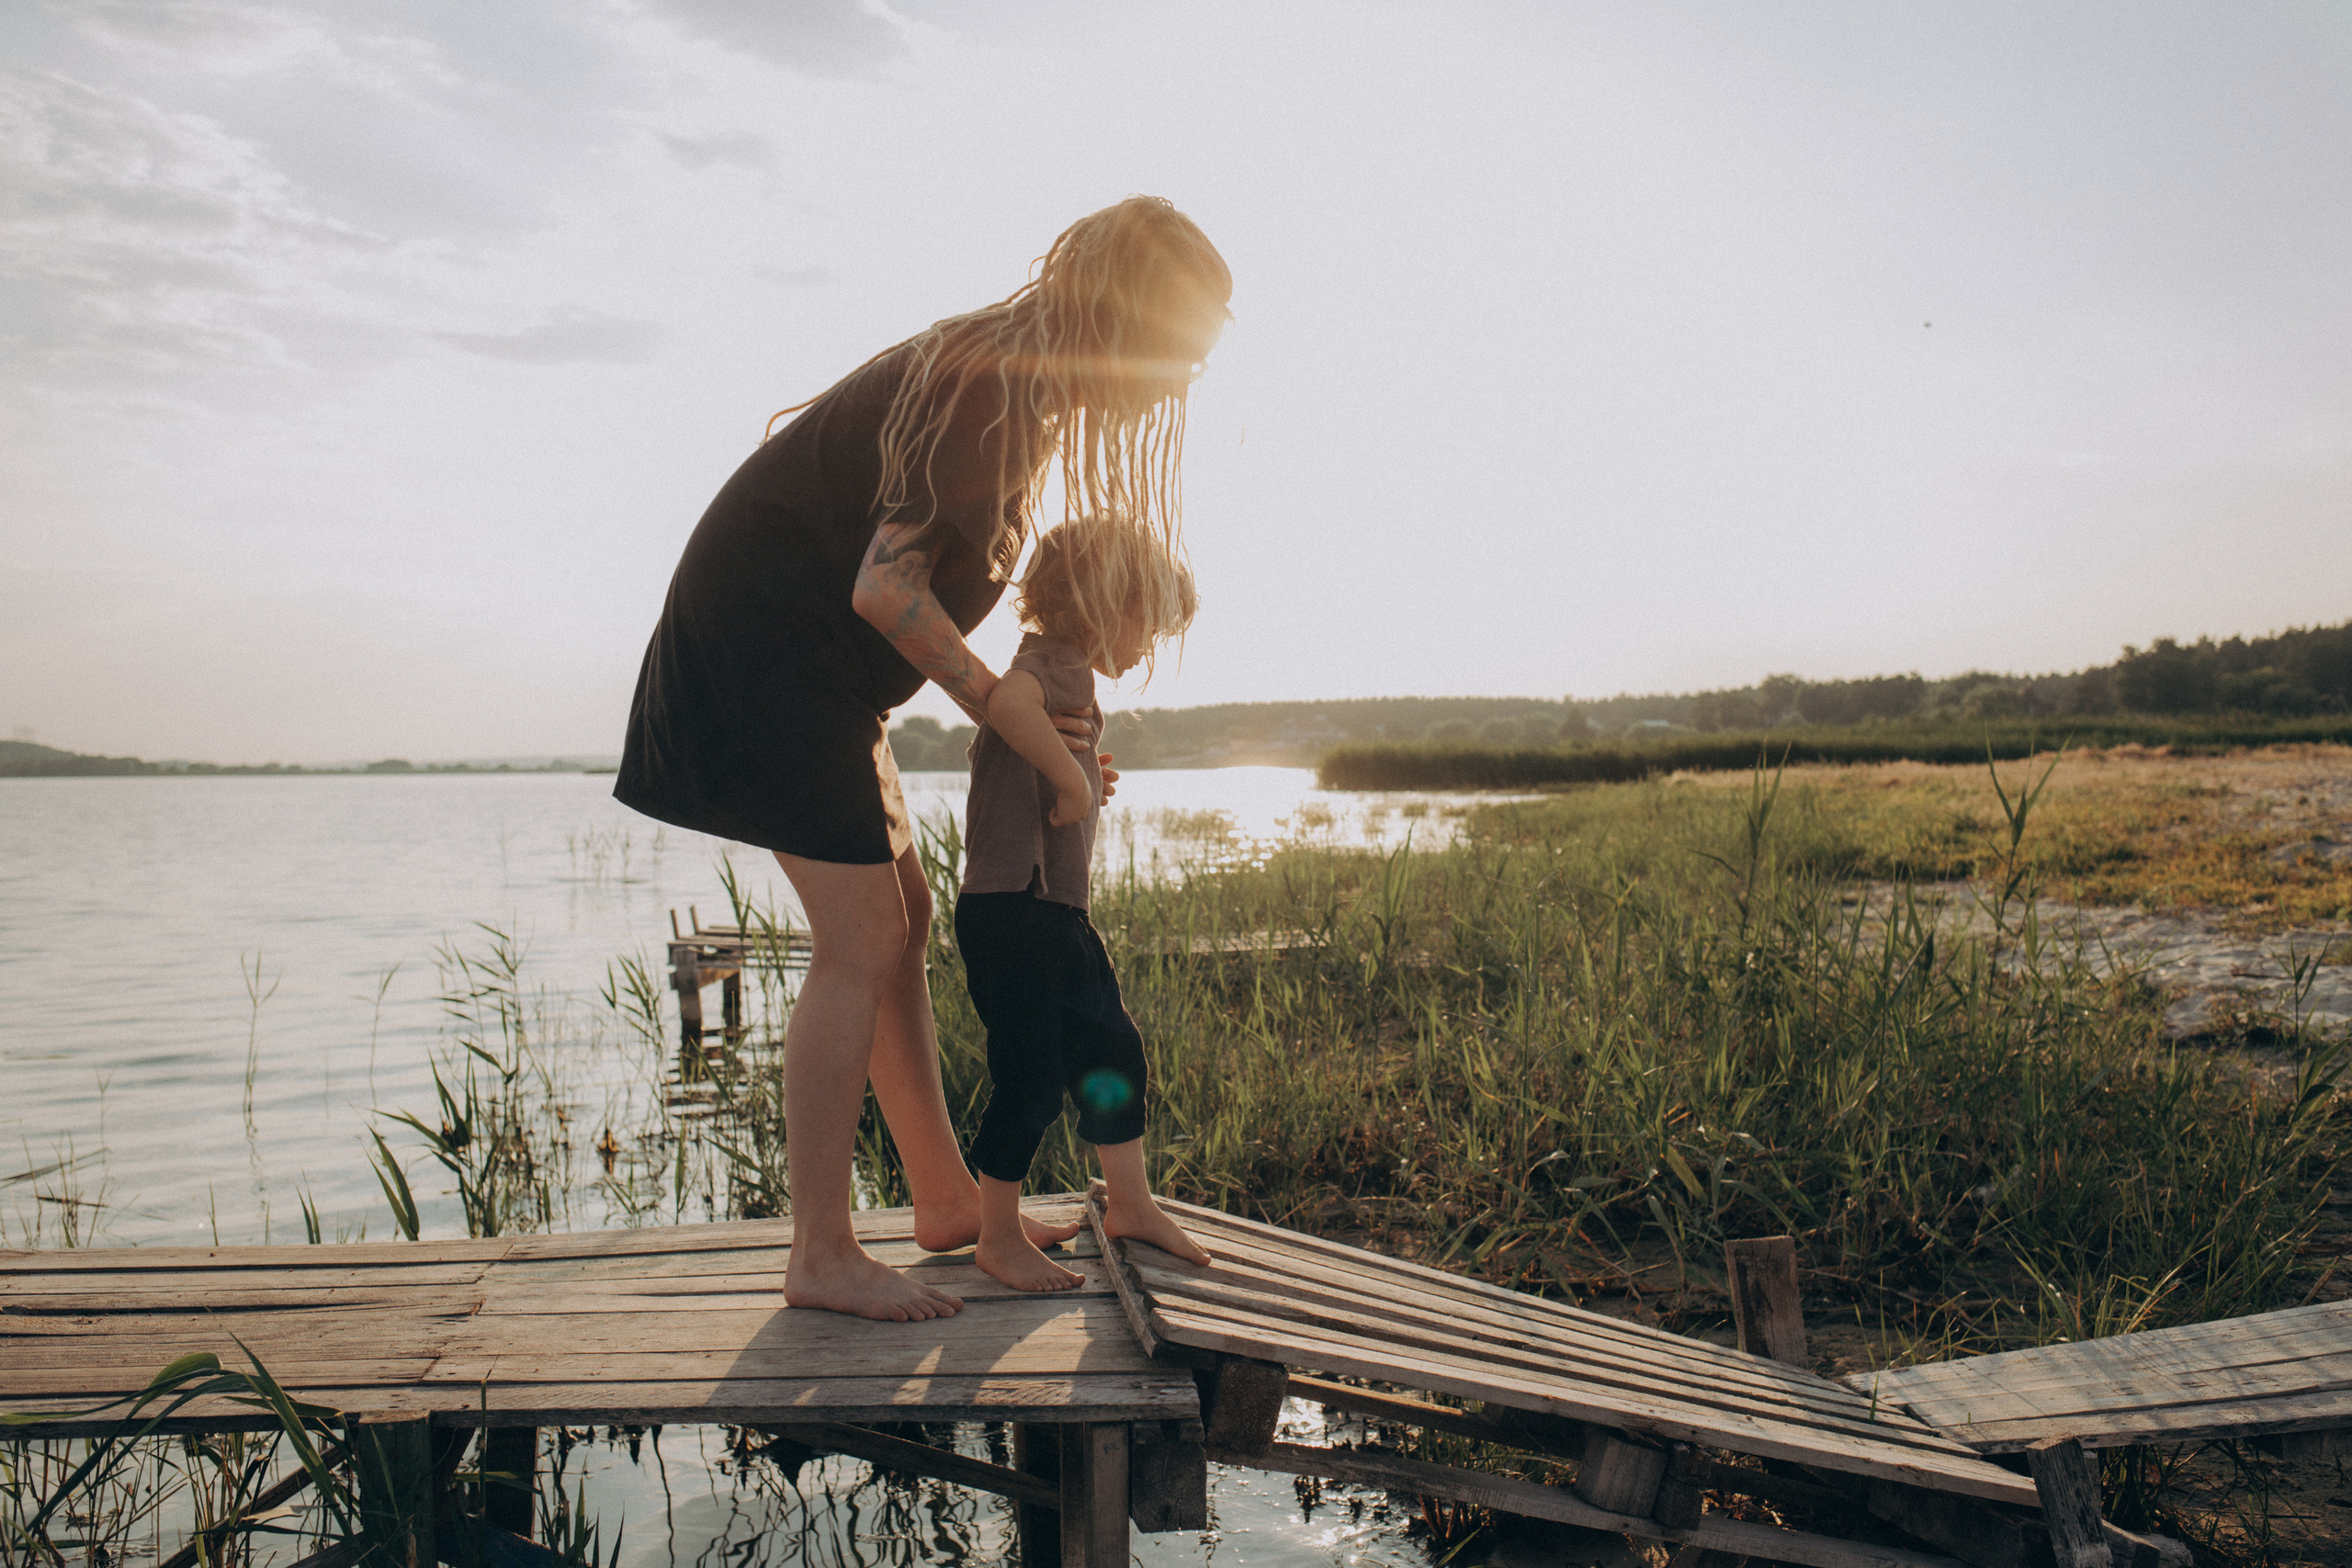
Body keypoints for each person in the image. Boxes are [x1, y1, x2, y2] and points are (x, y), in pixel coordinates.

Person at [614, 197, 1230, 1321]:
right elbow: (885, 589)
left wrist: (1033, 727)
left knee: (902, 915)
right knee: (860, 939)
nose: (1178, 382)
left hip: (821, 673)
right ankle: (820, 1252)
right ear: (1124, 317)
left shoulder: (1019, 391)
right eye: (1176, 351)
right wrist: (1002, 709)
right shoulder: (991, 390)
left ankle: (944, 1201)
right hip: (767, 653)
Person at [953, 516, 1216, 1291]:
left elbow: (1024, 733)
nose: (1146, 648)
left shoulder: (1067, 673)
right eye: (1146, 625)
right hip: (1016, 910)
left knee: (1112, 1052)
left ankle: (1129, 1203)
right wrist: (1071, 780)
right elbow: (1008, 707)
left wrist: (1078, 769)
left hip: (1053, 912)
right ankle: (997, 1235)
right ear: (1102, 602)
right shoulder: (1050, 665)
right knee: (1030, 1074)